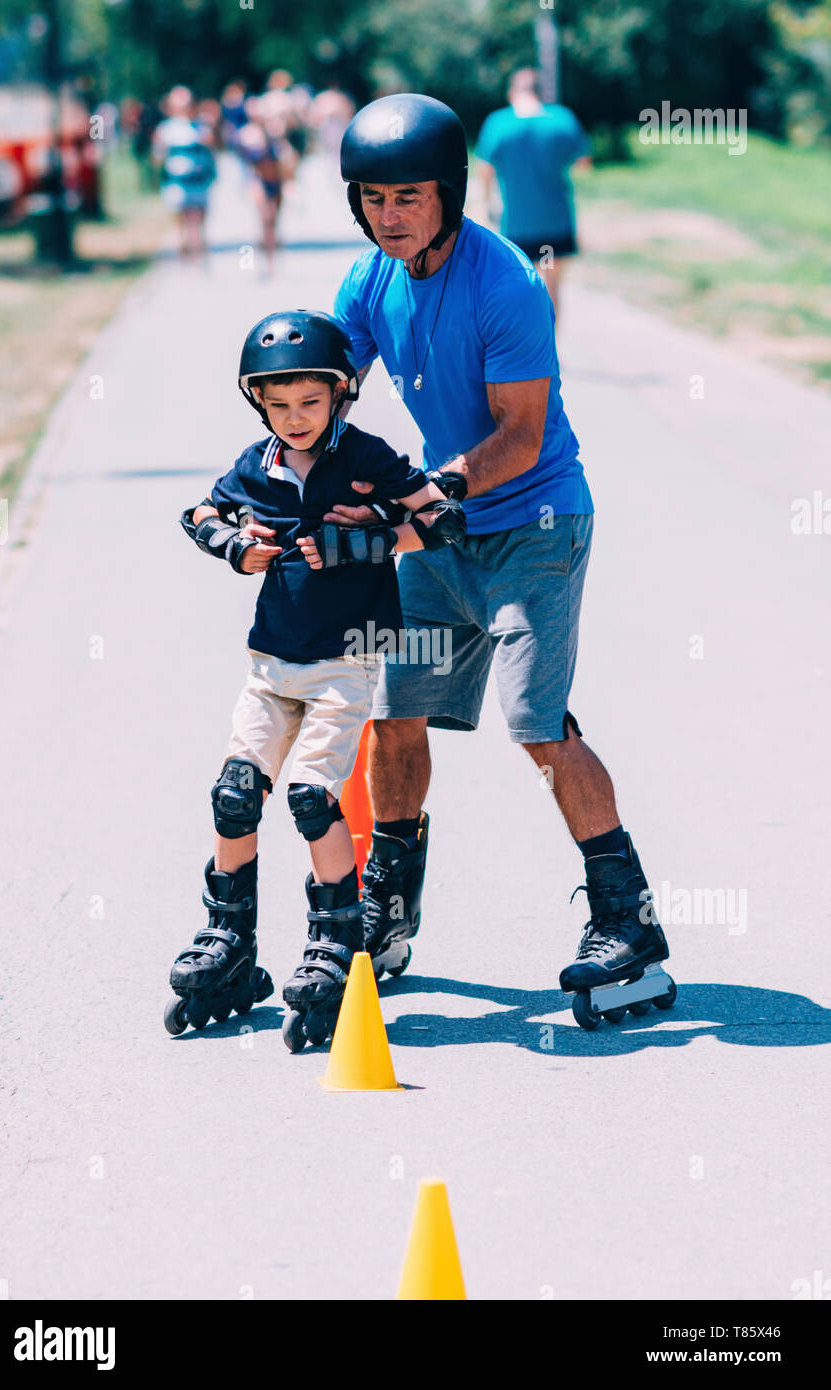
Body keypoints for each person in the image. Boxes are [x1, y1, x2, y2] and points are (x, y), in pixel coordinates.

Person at [330, 93, 674, 1027]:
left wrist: (423, 497)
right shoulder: (367, 282)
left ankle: (626, 919)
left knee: (535, 722)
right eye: (372, 198)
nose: (389, 214)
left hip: (534, 526)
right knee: (395, 716)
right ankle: (387, 912)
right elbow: (334, 396)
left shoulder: (506, 284)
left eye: (408, 197)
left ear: (447, 193)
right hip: (444, 533)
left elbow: (519, 438)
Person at [164, 311, 467, 1051]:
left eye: (308, 401)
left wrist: (368, 537)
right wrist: (232, 544)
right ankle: (228, 936)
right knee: (235, 794)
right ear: (258, 403)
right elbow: (199, 512)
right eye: (278, 404)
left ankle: (335, 938)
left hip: (345, 661)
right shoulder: (255, 464)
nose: (294, 418)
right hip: (271, 660)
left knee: (309, 796)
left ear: (339, 393)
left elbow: (443, 520)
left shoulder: (367, 457)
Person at [475, 68, 592, 318]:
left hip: (517, 225)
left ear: (511, 93)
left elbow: (484, 171)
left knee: (522, 290)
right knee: (552, 288)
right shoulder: (562, 119)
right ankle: (550, 351)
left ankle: (527, 352)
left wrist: (487, 207)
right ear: (541, 91)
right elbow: (584, 163)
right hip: (556, 222)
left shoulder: (498, 123)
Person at [232, 96, 297, 274]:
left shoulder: (275, 131)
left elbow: (287, 154)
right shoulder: (247, 134)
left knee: (274, 220)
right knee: (266, 217)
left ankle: (271, 254)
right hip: (257, 180)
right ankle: (266, 259)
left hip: (276, 180)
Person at [151, 85, 216, 258]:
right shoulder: (165, 129)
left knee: (199, 223)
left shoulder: (201, 127)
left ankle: (199, 257)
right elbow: (157, 157)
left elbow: (211, 152)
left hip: (199, 180)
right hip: (176, 182)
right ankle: (184, 257)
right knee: (180, 223)